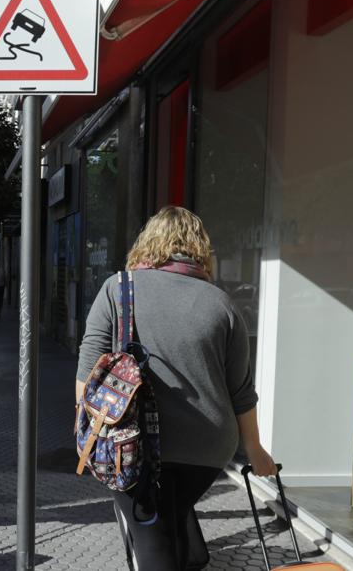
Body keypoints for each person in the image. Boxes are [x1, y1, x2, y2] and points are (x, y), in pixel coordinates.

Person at [76, 206, 275, 571]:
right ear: (200, 249)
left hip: (131, 446)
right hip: (207, 449)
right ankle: (191, 556)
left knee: (152, 538)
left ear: (147, 242)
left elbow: (88, 372)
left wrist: (90, 430)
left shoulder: (118, 289)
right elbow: (241, 390)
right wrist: (255, 448)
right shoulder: (223, 304)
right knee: (171, 515)